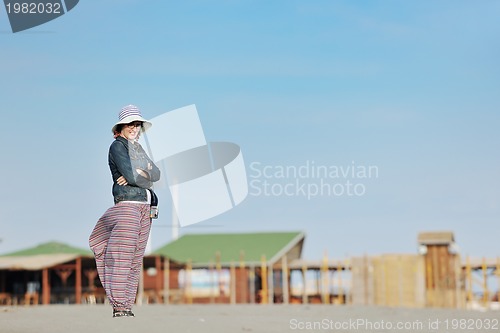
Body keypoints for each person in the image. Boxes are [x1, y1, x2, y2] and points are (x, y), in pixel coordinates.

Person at [89, 105, 160, 318]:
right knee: (123, 256)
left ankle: (126, 305)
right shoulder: (117, 147)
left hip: (146, 207)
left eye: (137, 124)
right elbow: (131, 176)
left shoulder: (137, 148)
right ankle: (119, 305)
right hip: (128, 204)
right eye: (130, 124)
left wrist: (141, 174)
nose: (134, 128)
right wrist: (140, 173)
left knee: (136, 258)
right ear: (121, 127)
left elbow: (156, 173)